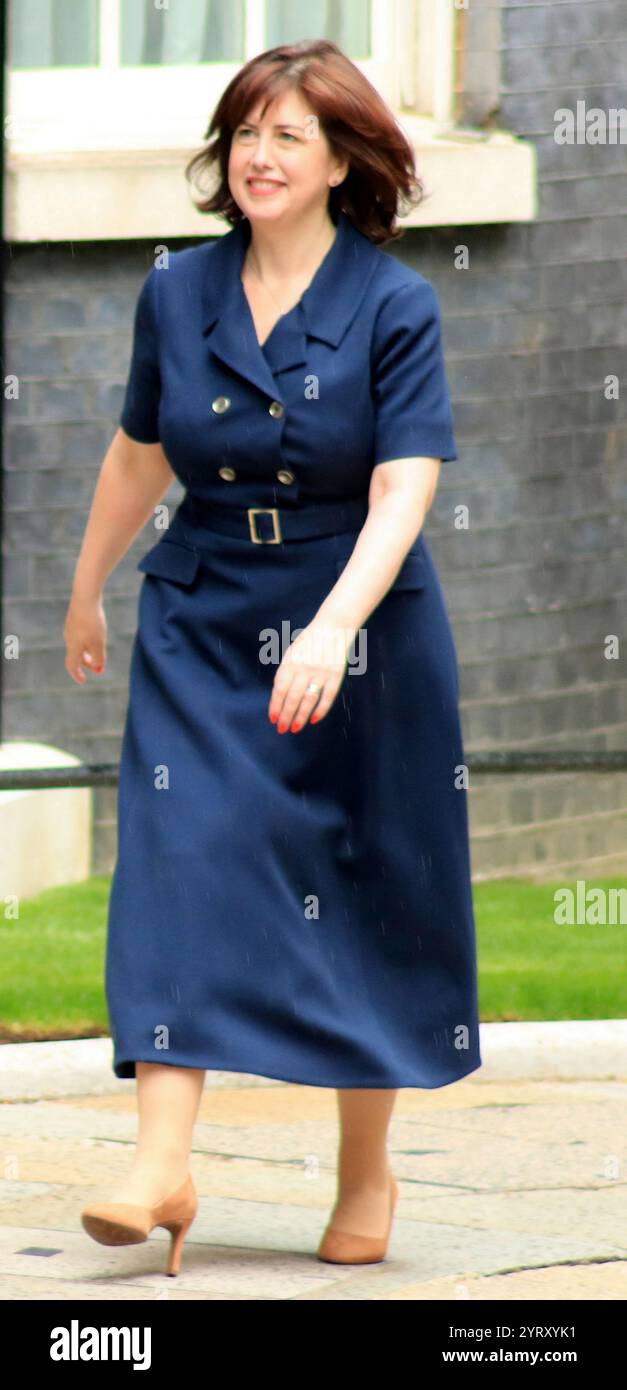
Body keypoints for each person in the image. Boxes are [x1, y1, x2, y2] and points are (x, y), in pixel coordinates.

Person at [65, 39, 481, 1278]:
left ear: (344, 157)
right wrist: (84, 587)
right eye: (247, 131)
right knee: (177, 857)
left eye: (289, 135)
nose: (259, 155)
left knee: (364, 878)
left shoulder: (395, 304)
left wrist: (336, 626)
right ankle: (161, 1165)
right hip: (201, 611)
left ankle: (366, 1172)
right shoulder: (177, 291)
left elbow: (406, 487)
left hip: (360, 617)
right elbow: (142, 451)